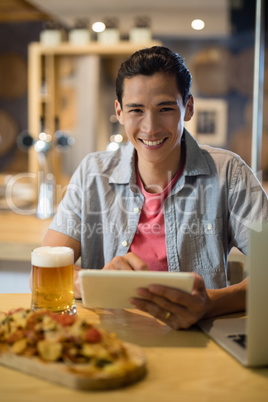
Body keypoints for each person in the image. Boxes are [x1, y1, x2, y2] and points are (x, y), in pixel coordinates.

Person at [42, 46, 268, 330]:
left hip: (198, 340)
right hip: (107, 339)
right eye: (136, 110)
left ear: (188, 108)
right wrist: (89, 281)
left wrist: (211, 303)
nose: (150, 128)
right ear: (119, 112)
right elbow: (43, 270)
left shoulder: (229, 172)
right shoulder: (93, 173)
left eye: (165, 109)